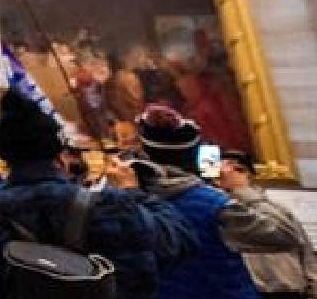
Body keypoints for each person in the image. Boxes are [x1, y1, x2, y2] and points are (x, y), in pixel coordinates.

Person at [0, 88, 192, 299]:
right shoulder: (108, 205)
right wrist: (131, 190)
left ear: (6, 159)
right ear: (60, 156)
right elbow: (178, 240)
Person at [133, 105, 305, 299]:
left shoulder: (127, 202)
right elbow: (285, 234)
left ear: (144, 155)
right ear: (195, 157)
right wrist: (243, 190)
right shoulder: (215, 205)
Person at [218, 151, 317, 299]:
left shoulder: (277, 210)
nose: (232, 173)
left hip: (291, 291)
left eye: (239, 170)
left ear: (250, 175)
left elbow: (304, 250)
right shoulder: (218, 211)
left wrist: (313, 287)